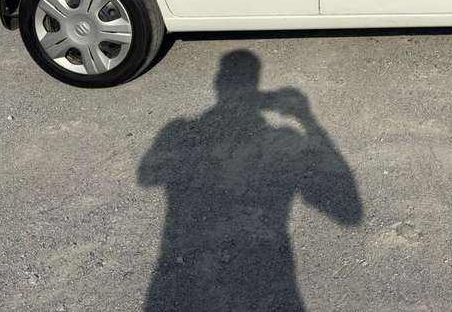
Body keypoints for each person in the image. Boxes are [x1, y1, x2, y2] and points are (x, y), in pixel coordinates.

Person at [139, 50, 362, 311]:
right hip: (263, 283)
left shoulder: (181, 130)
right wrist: (307, 118)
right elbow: (349, 212)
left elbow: (147, 176)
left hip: (189, 285)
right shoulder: (284, 143)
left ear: (218, 85)